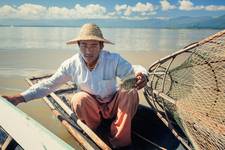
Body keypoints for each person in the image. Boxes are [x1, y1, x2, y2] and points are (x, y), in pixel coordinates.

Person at [3, 23, 148, 148]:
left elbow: (132, 70)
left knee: (130, 90)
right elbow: (49, 85)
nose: (88, 51)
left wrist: (142, 74)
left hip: (113, 105)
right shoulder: (71, 64)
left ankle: (119, 141)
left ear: (101, 46)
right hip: (90, 108)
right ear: (78, 45)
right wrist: (20, 98)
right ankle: (94, 131)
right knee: (78, 99)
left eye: (93, 45)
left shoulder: (113, 59)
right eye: (84, 45)